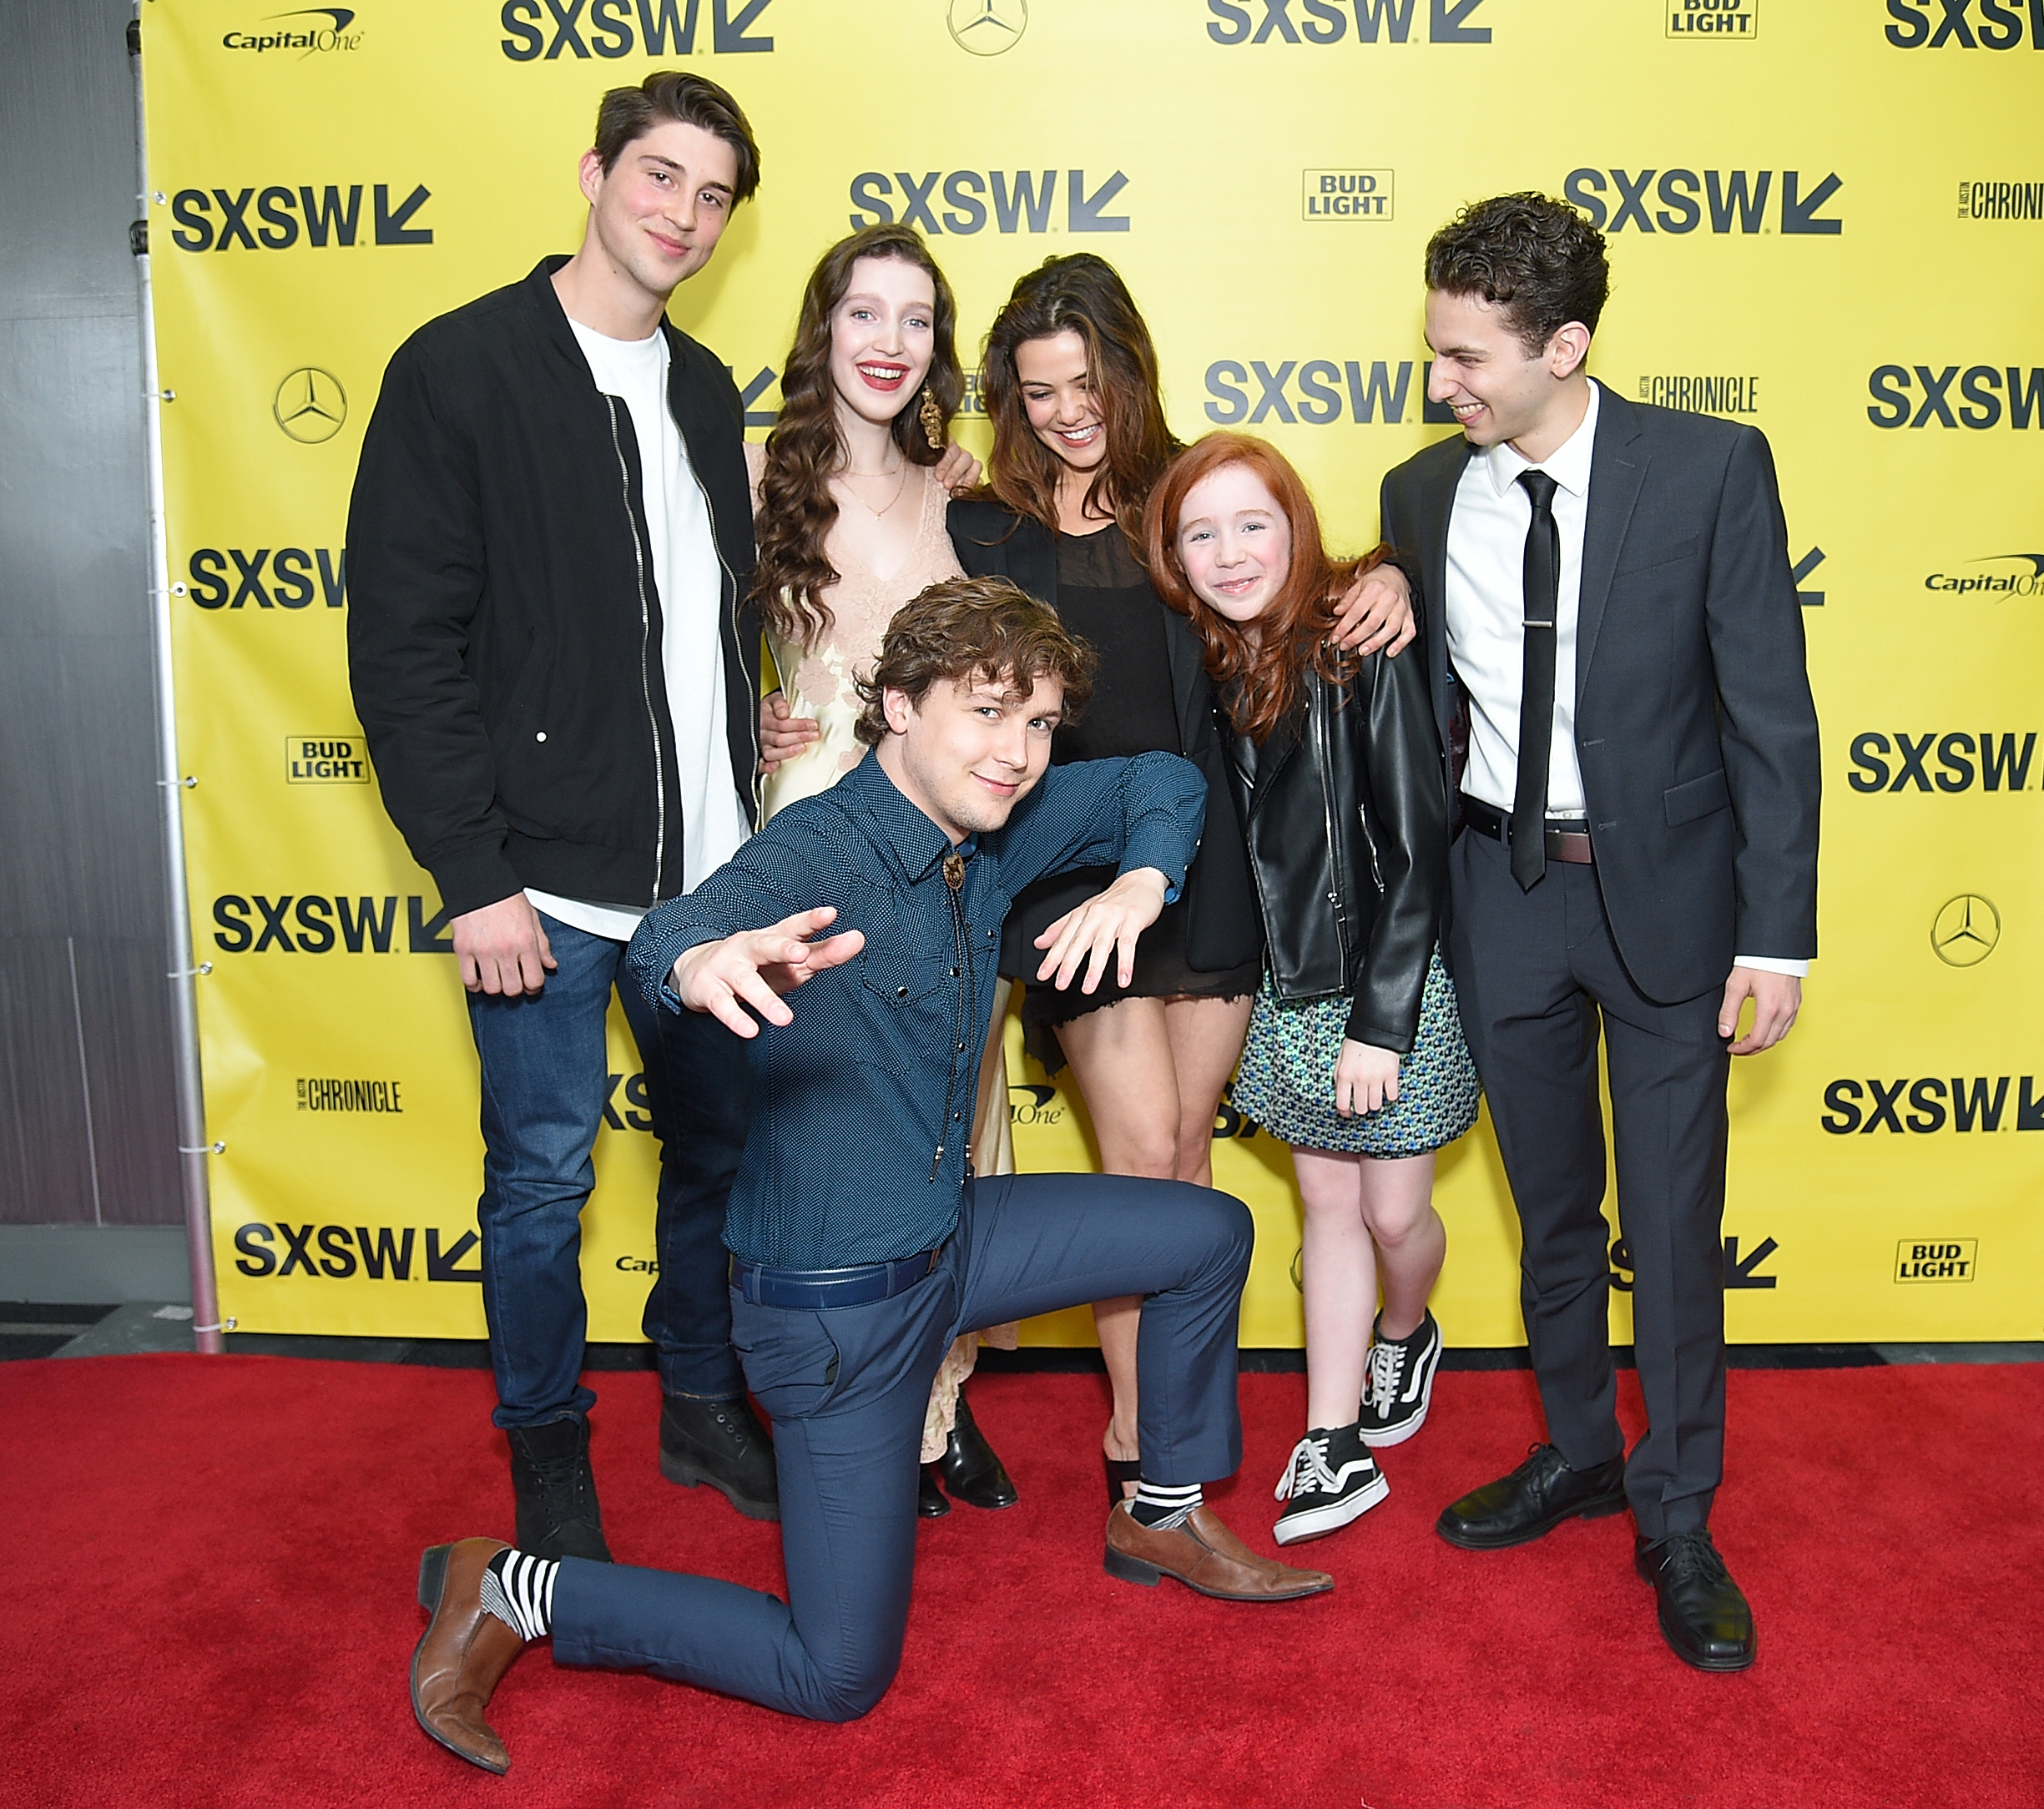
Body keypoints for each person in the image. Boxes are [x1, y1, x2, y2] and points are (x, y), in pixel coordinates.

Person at [407, 578, 1334, 1775]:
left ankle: (1160, 1512)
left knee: (1204, 1234)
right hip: (837, 1312)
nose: (1019, 753)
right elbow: (674, 933)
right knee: (836, 1675)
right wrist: (700, 965)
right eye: (990, 712)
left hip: (953, 1244)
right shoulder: (820, 848)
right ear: (895, 705)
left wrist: (1142, 881)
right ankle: (520, 1587)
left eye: (1042, 724)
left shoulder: (991, 827)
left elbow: (1166, 780)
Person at [1378, 194, 1820, 1671]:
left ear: (1565, 345)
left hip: (1676, 906)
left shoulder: (1708, 469)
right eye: (1435, 352)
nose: (1443, 383)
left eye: (1468, 358)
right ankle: (1577, 1451)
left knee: (1675, 1227)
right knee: (1551, 1209)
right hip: (1502, 895)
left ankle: (1677, 1511)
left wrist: (1780, 936)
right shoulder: (1424, 495)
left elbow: (1770, 715)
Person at [346, 71, 779, 1561]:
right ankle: (544, 1441)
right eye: (661, 178)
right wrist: (473, 875)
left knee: (715, 1163)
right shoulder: (458, 370)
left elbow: (693, 623)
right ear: (592, 175)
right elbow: (403, 650)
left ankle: (703, 1399)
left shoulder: (710, 389)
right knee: (541, 1179)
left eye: (714, 196)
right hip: (540, 880)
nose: (684, 216)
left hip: (710, 886)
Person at [934, 252, 1415, 1501]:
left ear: (1128, 370)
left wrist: (1393, 571)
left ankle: (1179, 1435)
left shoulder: (1186, 497)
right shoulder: (982, 523)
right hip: (1066, 886)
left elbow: (1292, 571)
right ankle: (1141, 1445)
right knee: (1140, 1150)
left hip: (1208, 877)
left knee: (1187, 1153)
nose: (1064, 413)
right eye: (1036, 392)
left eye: (1084, 383)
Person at [1145, 435, 1475, 1545]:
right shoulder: (1201, 662)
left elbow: (1423, 849)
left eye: (1253, 525)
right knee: (1328, 1207)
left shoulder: (1355, 643)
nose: (1231, 554)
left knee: (1393, 1214)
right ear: (1175, 554)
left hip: (1389, 976)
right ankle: (1333, 1442)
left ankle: (1409, 1326)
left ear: (1295, 528)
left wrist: (1381, 1022)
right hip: (1285, 992)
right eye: (1202, 533)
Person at [745, 221, 1016, 1517]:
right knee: (845, 1126)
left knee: (960, 1117)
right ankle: (855, 1403)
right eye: (866, 315)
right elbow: (671, 646)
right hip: (813, 830)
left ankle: (944, 1402)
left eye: (916, 321)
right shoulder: (754, 477)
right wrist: (743, 720)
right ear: (824, 329)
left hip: (954, 851)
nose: (890, 344)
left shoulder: (958, 489)